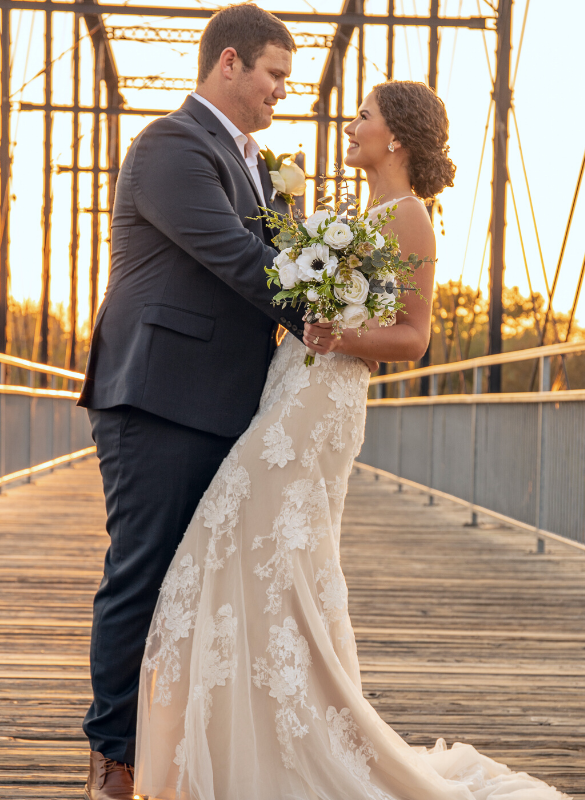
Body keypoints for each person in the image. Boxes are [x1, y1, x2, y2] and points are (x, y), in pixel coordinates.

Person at [134, 81, 570, 800]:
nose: (351, 121)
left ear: (394, 137)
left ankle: (286, 740)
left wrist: (342, 334)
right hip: (292, 384)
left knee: (247, 541)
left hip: (323, 402)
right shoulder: (359, 213)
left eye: (363, 114)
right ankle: (260, 734)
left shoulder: (408, 218)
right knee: (259, 555)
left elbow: (414, 337)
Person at [76, 5, 346, 798]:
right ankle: (113, 760)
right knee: (143, 572)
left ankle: (175, 751)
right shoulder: (170, 146)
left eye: (289, 82)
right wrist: (321, 315)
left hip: (226, 406)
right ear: (229, 63)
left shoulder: (262, 166)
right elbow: (232, 253)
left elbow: (279, 251)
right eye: (273, 77)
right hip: (156, 397)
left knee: (201, 582)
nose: (280, 95)